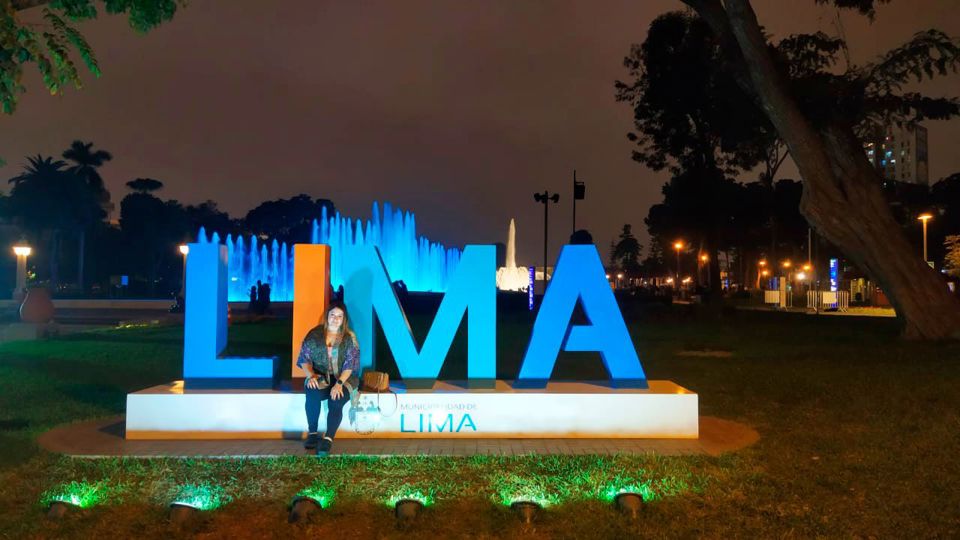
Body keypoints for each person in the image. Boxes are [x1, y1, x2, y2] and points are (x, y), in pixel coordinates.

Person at [296, 302, 360, 456]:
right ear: (327, 316)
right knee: (311, 390)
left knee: (336, 399)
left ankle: (328, 438)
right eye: (332, 315)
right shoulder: (314, 334)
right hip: (321, 376)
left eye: (339, 316)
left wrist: (339, 384)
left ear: (344, 319)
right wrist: (311, 376)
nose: (335, 319)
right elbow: (304, 359)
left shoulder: (349, 338)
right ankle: (312, 433)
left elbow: (349, 366)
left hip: (344, 378)